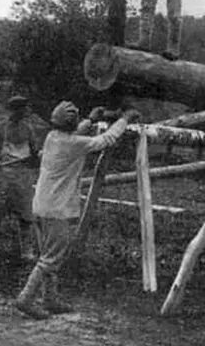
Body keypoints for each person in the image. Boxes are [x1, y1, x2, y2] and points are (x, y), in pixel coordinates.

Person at [14, 102, 139, 319]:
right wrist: (124, 119)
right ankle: (26, 298)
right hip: (56, 209)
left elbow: (74, 133)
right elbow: (105, 140)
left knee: (49, 255)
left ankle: (49, 299)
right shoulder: (73, 143)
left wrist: (89, 120)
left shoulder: (52, 137)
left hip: (42, 205)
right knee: (51, 258)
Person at [0, 95, 41, 262]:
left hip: (24, 177)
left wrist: (37, 155)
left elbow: (35, 151)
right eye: (21, 109)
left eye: (25, 109)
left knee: (26, 217)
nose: (25, 112)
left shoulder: (28, 129)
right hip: (4, 176)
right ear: (14, 110)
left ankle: (27, 251)